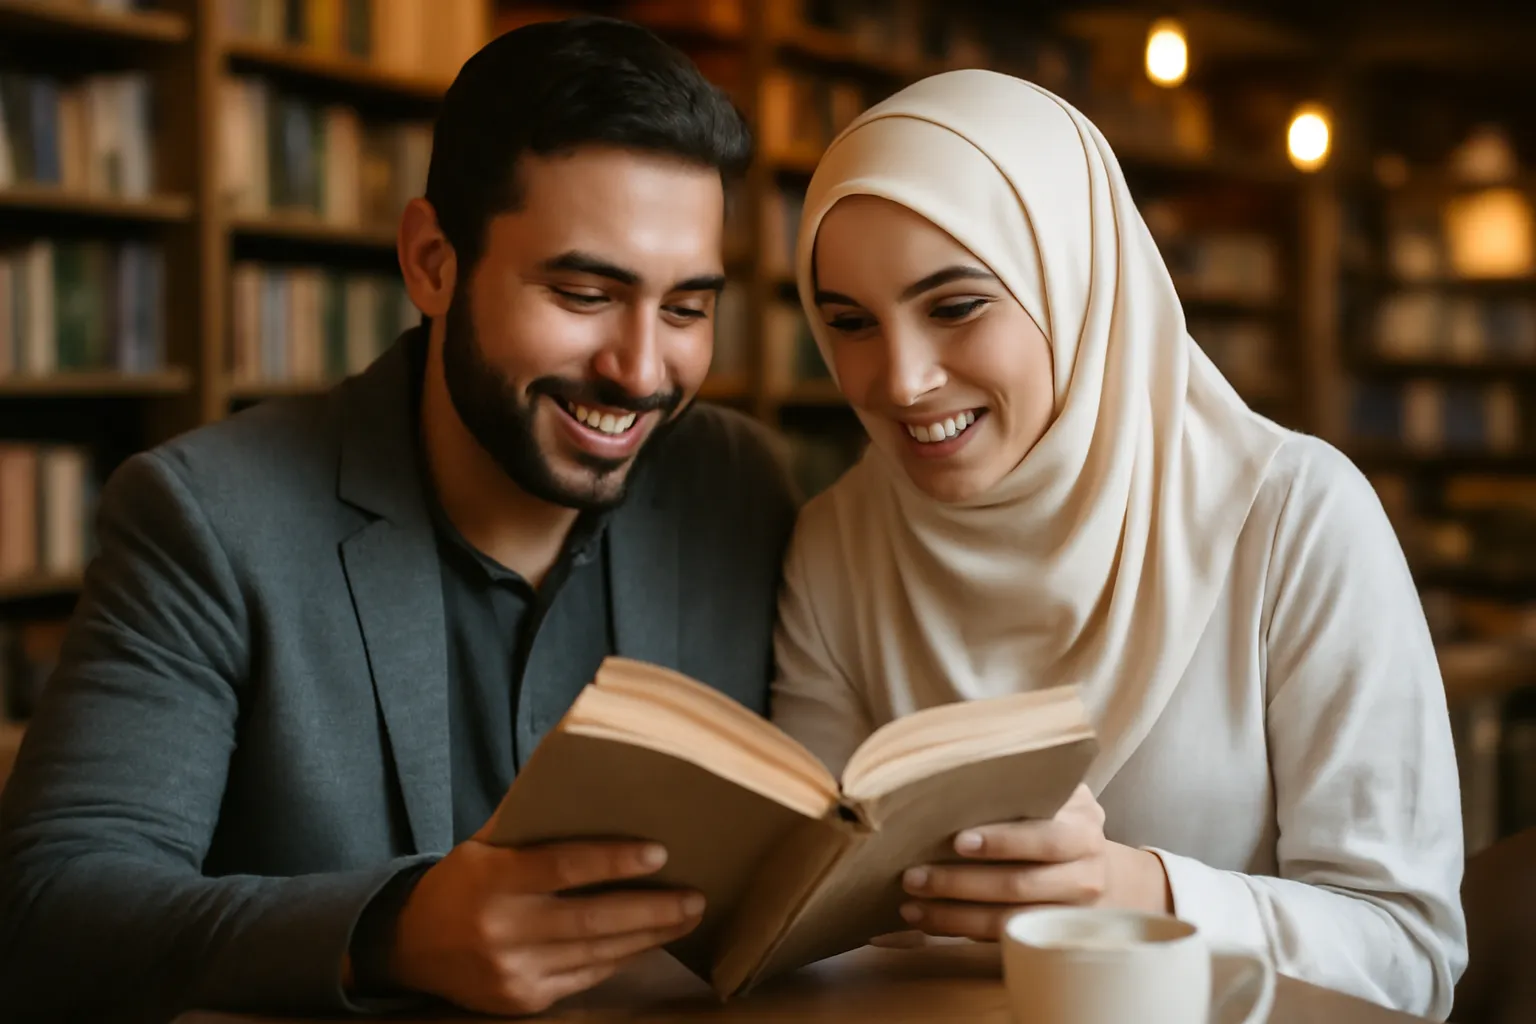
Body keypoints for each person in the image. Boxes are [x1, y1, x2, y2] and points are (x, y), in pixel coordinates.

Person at [0, 17, 798, 1023]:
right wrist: (392, 932)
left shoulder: (742, 488)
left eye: (687, 308)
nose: (642, 371)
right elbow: (43, 913)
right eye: (585, 291)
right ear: (430, 262)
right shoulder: (203, 518)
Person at [769, 68, 1467, 1020]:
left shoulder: (1297, 515)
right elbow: (807, 937)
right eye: (848, 324)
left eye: (956, 305)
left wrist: (1134, 893)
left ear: (1077, 280)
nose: (901, 379)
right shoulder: (833, 545)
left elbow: (1412, 958)